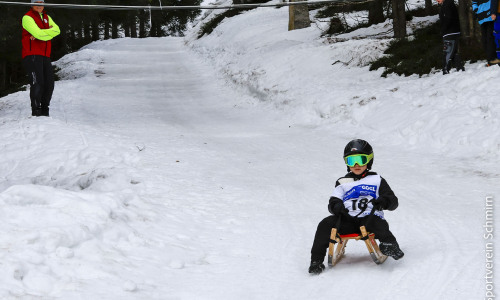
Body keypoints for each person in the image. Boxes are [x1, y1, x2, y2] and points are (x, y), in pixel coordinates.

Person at [308, 139, 404, 275]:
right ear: (346, 163)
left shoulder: (377, 180)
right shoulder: (342, 182)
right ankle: (316, 261)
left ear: (369, 161)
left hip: (370, 218)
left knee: (379, 223)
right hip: (346, 220)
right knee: (325, 224)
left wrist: (383, 201)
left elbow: (393, 201)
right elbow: (333, 201)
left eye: (361, 160)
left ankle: (389, 244)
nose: (357, 165)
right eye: (351, 161)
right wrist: (337, 207)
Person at [21, 0, 60, 117]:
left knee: (49, 84)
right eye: (36, 4)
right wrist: (46, 34)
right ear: (32, 5)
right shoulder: (27, 18)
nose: (39, 6)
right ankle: (36, 111)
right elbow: (38, 34)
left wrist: (40, 34)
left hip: (45, 55)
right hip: (32, 54)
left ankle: (44, 111)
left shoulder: (47, 17)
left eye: (41, 4)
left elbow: (57, 30)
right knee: (38, 82)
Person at [437, 0, 465, 74]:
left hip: (450, 32)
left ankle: (445, 69)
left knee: (448, 51)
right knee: (453, 51)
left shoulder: (447, 4)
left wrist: (443, 29)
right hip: (453, 31)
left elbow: (448, 18)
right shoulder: (448, 3)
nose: (437, 0)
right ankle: (459, 68)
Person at [472, 0, 500, 65]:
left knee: (489, 38)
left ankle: (492, 58)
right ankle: (492, 59)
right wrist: (476, 11)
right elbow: (474, 3)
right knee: (487, 39)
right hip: (484, 17)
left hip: (489, 16)